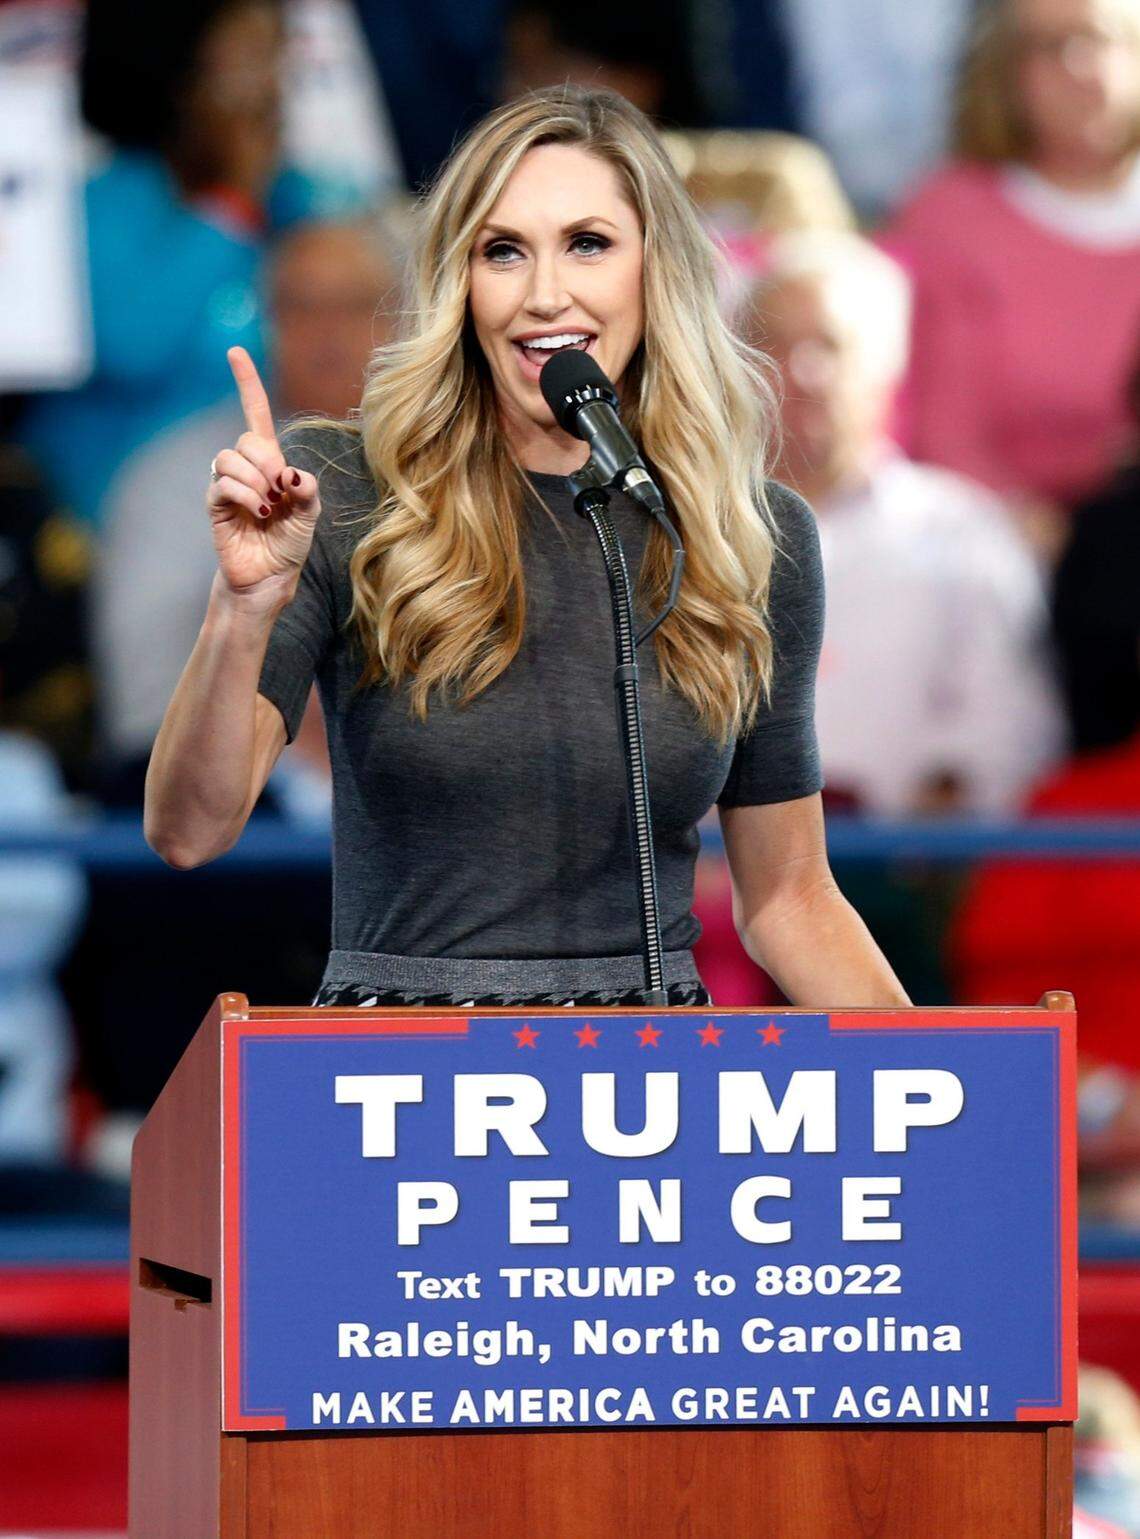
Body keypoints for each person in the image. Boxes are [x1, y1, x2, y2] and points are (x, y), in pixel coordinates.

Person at [144, 85, 908, 1013]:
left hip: (652, 1087)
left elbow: (790, 898)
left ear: (653, 268)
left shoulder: (751, 533)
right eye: (502, 251)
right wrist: (242, 609)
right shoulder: (343, 489)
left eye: (588, 243)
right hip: (403, 1080)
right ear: (461, 287)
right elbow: (189, 828)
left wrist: (948, 1101)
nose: (546, 293)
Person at [750, 229, 1063, 817]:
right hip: (710, 880)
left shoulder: (964, 532)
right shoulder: (679, 533)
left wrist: (947, 799)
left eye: (831, 345)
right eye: (776, 346)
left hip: (904, 873)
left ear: (886, 363)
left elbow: (1010, 718)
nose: (805, 373)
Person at [887, 0, 1140, 542]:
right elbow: (940, 431)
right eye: (1047, 48)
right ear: (1004, 72)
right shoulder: (947, 218)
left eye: (1094, 39)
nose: (1077, 66)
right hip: (992, 543)